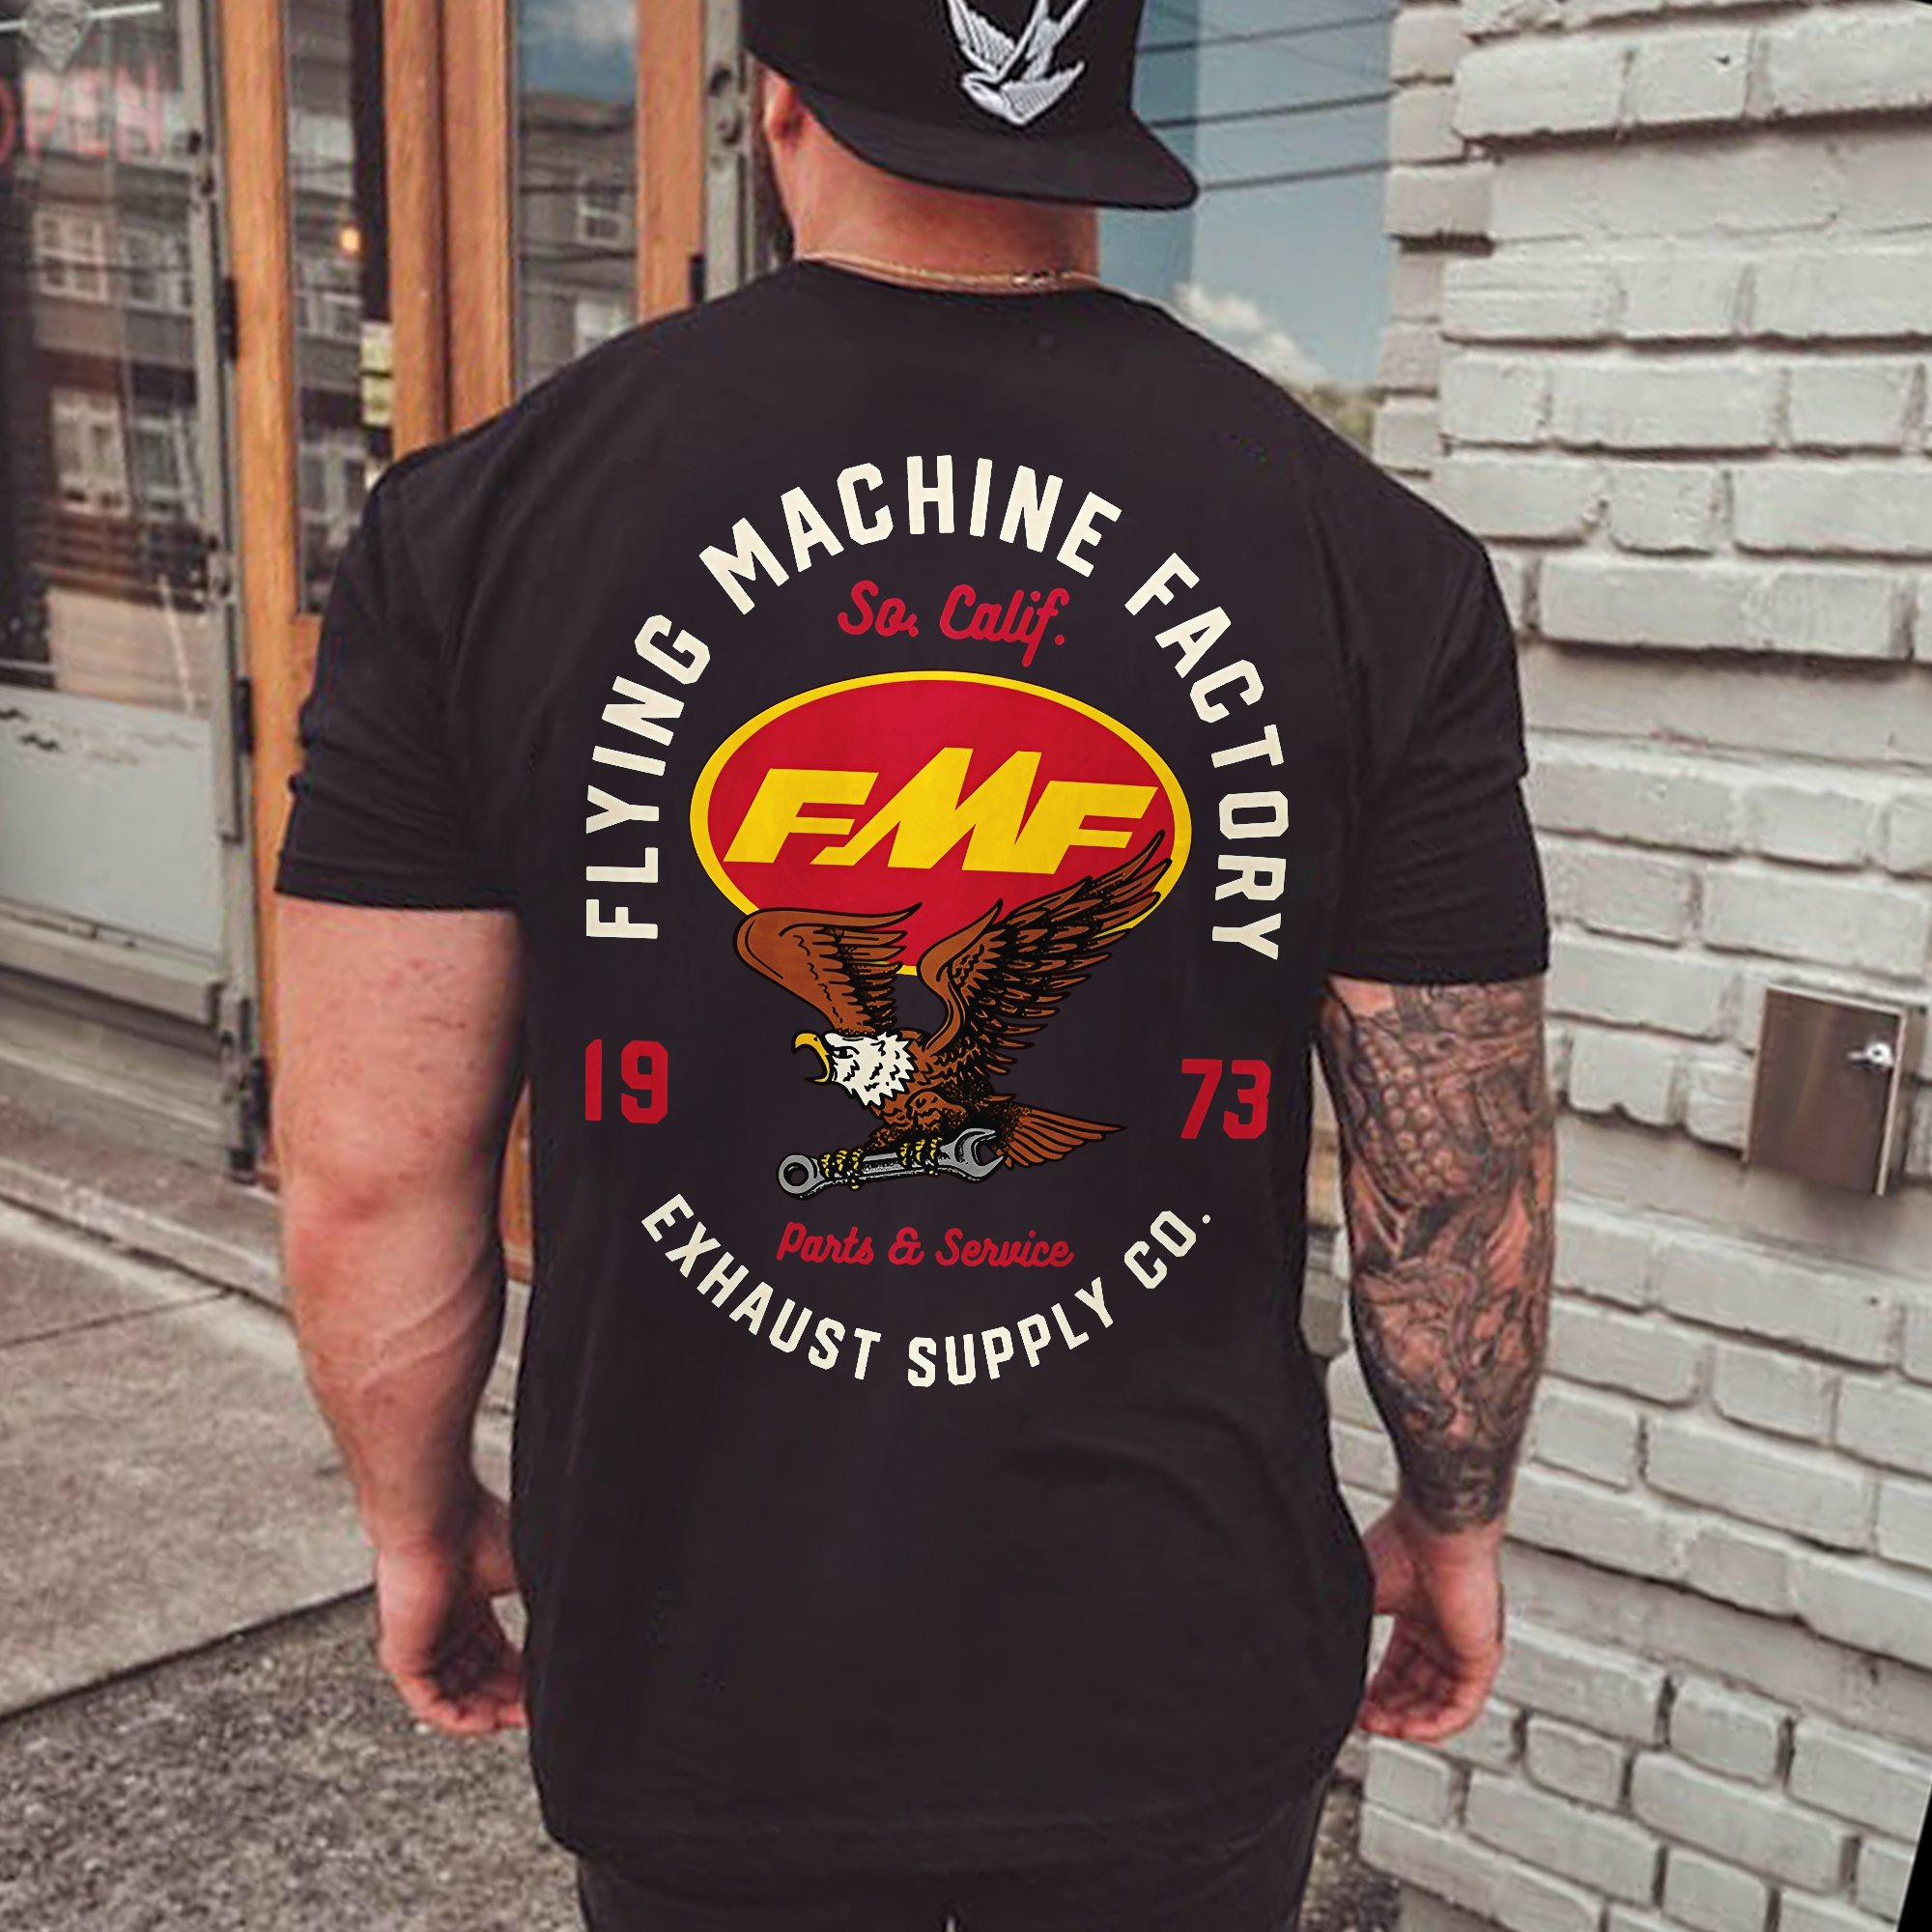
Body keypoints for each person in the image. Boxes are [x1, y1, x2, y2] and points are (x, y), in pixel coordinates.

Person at [274, 3, 1554, 1927]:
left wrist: (417, 1521)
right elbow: (1450, 1167)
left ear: (779, 98)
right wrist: (1455, 1517)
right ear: (1101, 119)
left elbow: (372, 1172)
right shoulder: (1374, 561)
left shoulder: (476, 529)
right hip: (1176, 1666)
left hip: (701, 1667)